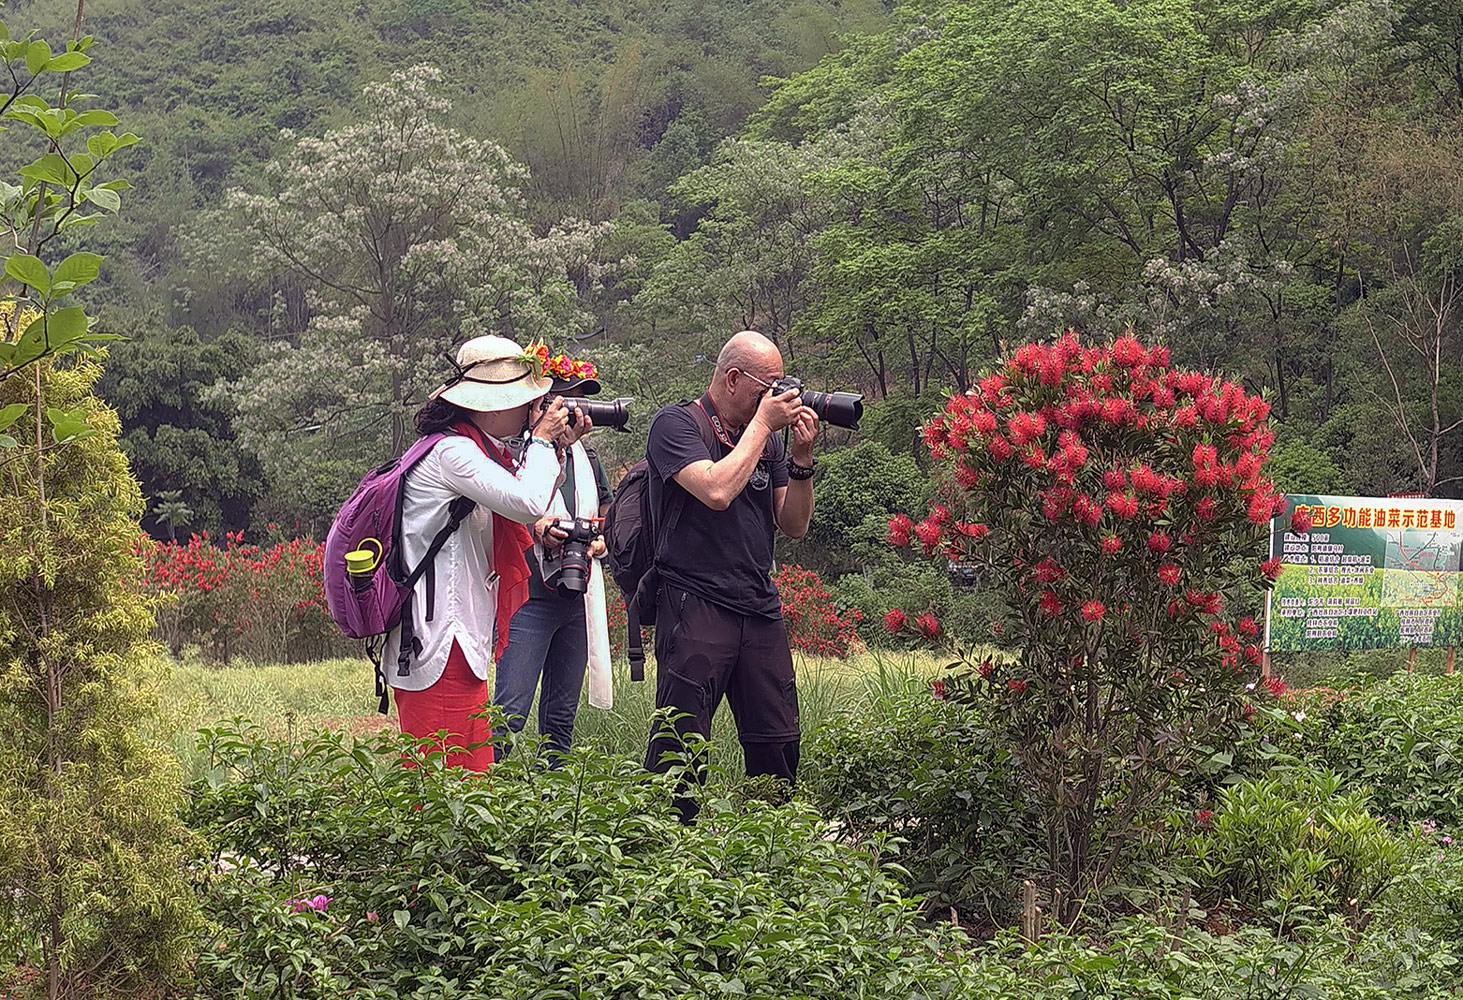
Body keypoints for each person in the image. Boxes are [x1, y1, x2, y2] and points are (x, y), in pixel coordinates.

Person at [383, 335, 592, 770]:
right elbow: (528, 503)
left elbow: (523, 501)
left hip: (458, 640)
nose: (529, 412)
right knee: (444, 788)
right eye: (524, 401)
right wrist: (540, 440)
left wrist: (554, 444)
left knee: (469, 789)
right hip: (440, 641)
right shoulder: (452, 454)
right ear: (492, 404)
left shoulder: (471, 449)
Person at [642, 330, 819, 818]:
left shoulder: (766, 443)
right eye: (769, 388)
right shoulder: (676, 425)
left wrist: (801, 461)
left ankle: (769, 850)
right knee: (682, 743)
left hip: (758, 605)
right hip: (693, 602)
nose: (778, 398)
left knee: (777, 740)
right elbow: (716, 491)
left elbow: (795, 524)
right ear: (733, 378)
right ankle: (666, 849)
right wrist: (764, 425)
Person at [493, 352, 616, 762]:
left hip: (577, 596)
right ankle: (483, 793)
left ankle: (553, 804)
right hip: (529, 596)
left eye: (582, 403)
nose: (576, 412)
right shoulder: (512, 455)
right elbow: (502, 510)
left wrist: (600, 541)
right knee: (509, 713)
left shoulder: (589, 460)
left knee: (561, 717)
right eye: (567, 402)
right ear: (542, 406)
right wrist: (537, 528)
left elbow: (610, 516)